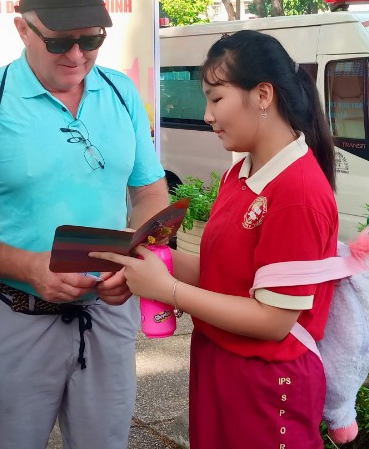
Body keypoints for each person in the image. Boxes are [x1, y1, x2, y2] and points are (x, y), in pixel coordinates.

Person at [0, 0, 168, 449]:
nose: (78, 54)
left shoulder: (122, 92)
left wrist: (135, 260)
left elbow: (148, 192)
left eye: (92, 39)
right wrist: (28, 266)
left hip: (107, 316)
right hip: (16, 316)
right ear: (22, 27)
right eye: (60, 41)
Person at [92, 30, 340, 449]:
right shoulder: (239, 173)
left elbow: (274, 320)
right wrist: (146, 259)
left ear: (263, 94)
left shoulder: (297, 192)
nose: (207, 114)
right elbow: (224, 272)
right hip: (221, 366)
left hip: (266, 384)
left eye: (216, 98)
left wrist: (167, 290)